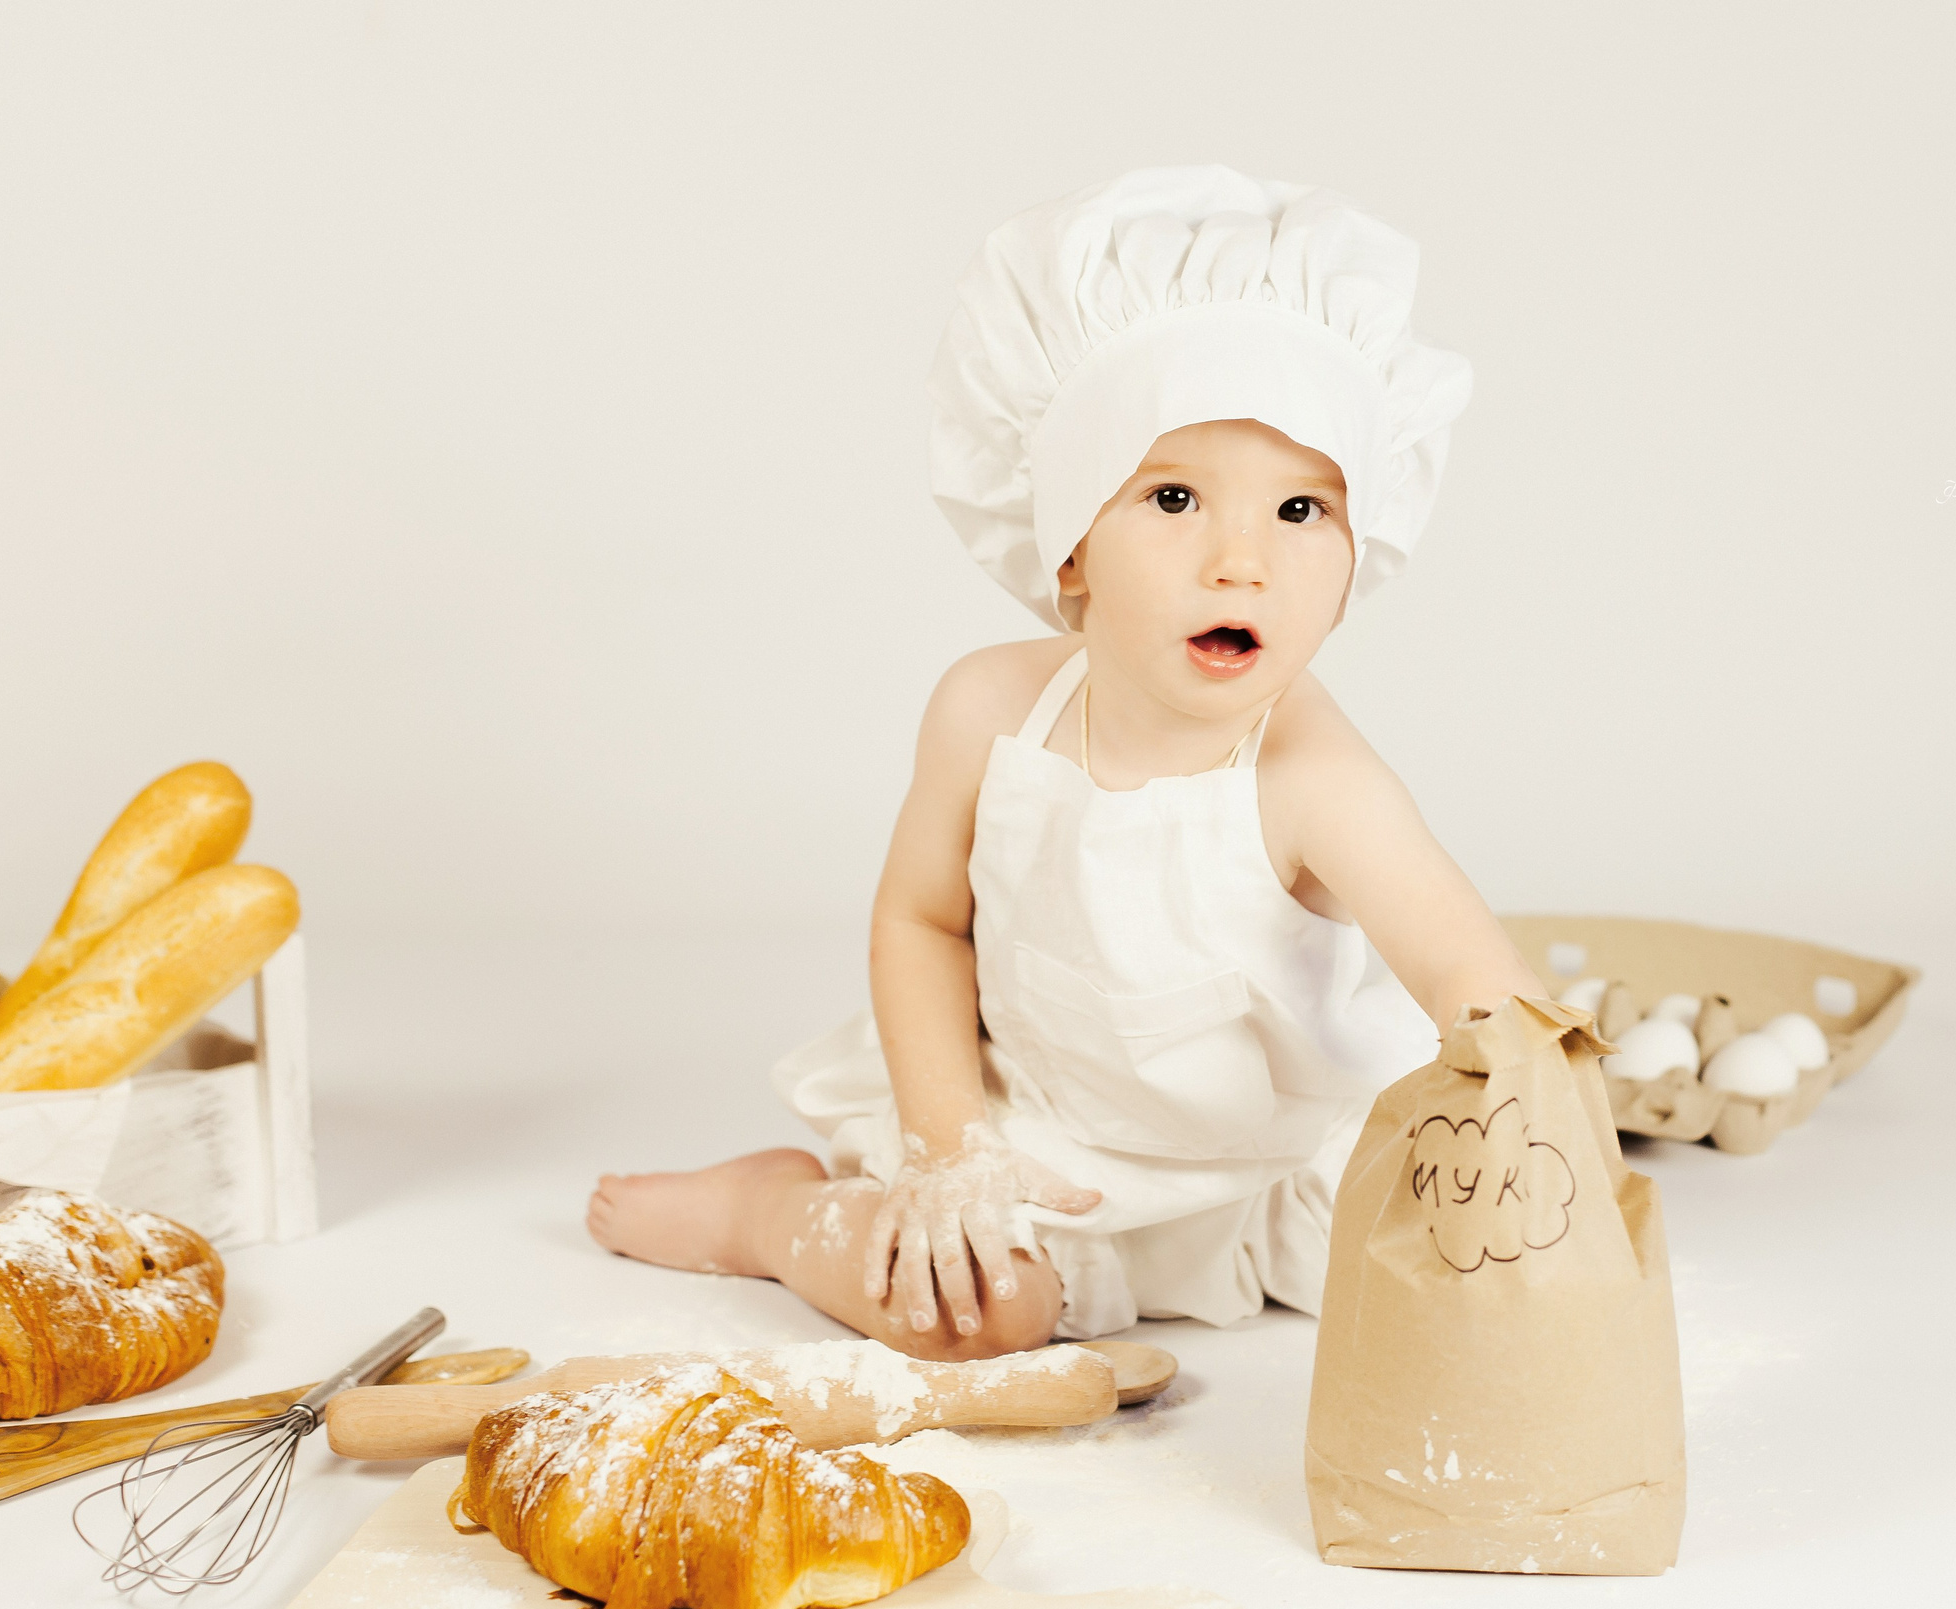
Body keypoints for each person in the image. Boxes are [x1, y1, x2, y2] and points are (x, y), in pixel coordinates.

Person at [588, 166, 1548, 1358]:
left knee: (1460, 1271)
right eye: (1176, 497)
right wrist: (953, 1150)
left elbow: (1474, 974)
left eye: (1302, 512)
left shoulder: (1313, 777)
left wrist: (1526, 1100)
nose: (1241, 561)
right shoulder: (990, 711)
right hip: (1037, 1144)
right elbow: (921, 925)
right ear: (1071, 545)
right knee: (974, 1313)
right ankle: (768, 1214)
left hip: (1269, 1171)